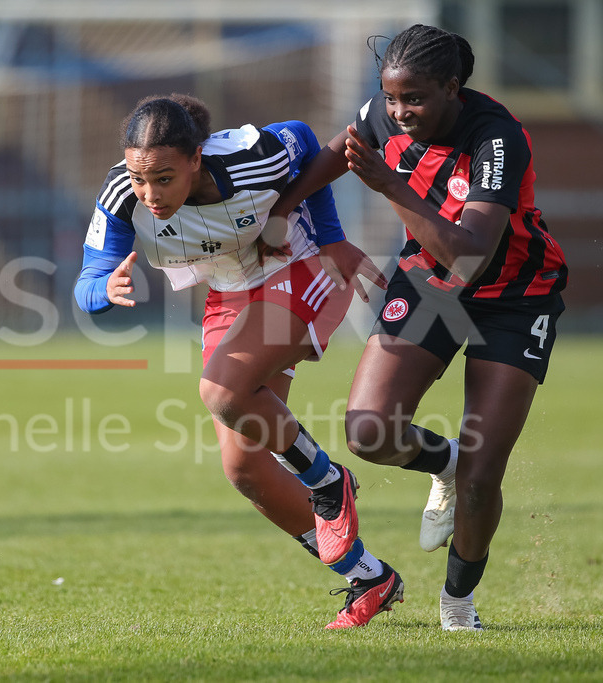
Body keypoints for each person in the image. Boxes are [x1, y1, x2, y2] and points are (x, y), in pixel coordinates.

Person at [270, 24, 567, 630]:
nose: (399, 112)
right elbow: (336, 152)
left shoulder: (497, 136)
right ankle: (444, 463)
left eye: (416, 100)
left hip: (514, 296)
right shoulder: (384, 112)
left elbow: (469, 255)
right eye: (391, 99)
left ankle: (458, 601)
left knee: (486, 474)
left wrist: (388, 184)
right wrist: (280, 209)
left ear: (452, 89)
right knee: (370, 431)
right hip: (430, 284)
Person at [75, 94, 402, 628]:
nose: (149, 194)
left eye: (164, 178)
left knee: (222, 390)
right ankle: (367, 575)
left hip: (297, 264)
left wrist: (335, 238)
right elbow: (87, 283)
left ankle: (326, 482)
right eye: (139, 178)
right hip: (231, 290)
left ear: (196, 159)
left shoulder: (254, 157)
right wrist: (103, 288)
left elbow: (306, 141)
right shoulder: (121, 194)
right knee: (244, 466)